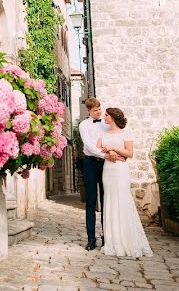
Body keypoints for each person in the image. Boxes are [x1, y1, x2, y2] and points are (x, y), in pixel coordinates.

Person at [96, 107, 153, 257]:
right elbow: (98, 149)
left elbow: (129, 153)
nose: (104, 117)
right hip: (108, 170)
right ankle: (113, 242)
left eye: (106, 115)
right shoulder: (103, 133)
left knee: (122, 200)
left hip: (121, 170)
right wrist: (110, 153)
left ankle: (127, 240)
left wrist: (114, 148)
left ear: (113, 117)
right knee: (110, 202)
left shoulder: (126, 133)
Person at [78, 97, 118, 250]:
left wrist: (109, 153)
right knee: (91, 201)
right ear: (89, 111)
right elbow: (88, 145)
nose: (99, 112)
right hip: (90, 163)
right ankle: (91, 239)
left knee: (106, 199)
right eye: (95, 110)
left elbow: (111, 139)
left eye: (99, 109)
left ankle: (107, 238)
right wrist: (104, 154)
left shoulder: (105, 124)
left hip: (105, 164)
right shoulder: (83, 125)